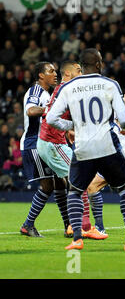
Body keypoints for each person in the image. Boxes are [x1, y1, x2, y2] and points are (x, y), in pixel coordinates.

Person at [47, 48, 125, 251]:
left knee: (75, 191)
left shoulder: (69, 87)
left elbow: (51, 118)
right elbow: (124, 119)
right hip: (107, 145)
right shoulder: (110, 84)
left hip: (83, 148)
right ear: (98, 64)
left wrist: (72, 126)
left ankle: (77, 239)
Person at [19, 62, 69, 238]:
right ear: (41, 75)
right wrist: (51, 109)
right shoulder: (35, 91)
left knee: (61, 184)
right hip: (33, 143)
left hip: (47, 144)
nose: (55, 74)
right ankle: (27, 225)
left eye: (55, 71)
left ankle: (68, 225)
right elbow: (31, 111)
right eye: (51, 71)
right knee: (47, 186)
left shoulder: (48, 93)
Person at [35, 61, 82, 239]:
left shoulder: (63, 88)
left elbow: (53, 114)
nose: (82, 73)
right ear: (69, 74)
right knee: (77, 179)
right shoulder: (66, 88)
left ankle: (72, 225)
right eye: (79, 71)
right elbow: (51, 116)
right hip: (52, 143)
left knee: (65, 184)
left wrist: (67, 129)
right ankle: (78, 225)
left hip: (53, 141)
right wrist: (74, 126)